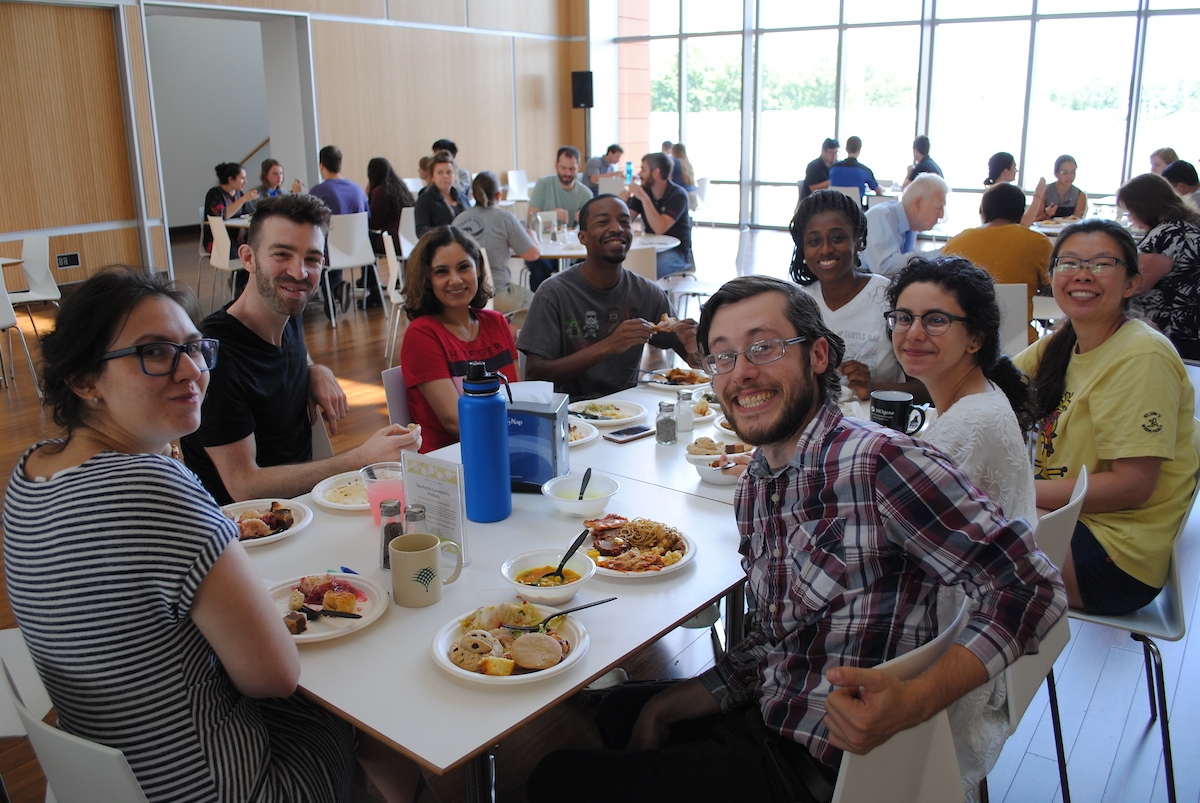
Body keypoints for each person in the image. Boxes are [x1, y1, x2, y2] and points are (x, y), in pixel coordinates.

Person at [526, 274, 1065, 803]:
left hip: (823, 764)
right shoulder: (760, 480)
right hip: (780, 702)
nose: (742, 373)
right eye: (723, 357)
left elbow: (1031, 587)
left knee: (555, 776)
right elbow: (779, 638)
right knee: (626, 710)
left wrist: (914, 700)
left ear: (819, 356)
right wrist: (663, 708)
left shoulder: (880, 463)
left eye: (763, 347)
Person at [4, 267, 424, 803]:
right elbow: (273, 677)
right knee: (363, 690)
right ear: (85, 380)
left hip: (106, 771)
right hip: (220, 784)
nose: (193, 371)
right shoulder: (151, 486)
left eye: (195, 348)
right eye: (155, 352)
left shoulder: (31, 471)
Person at [885, 257, 1039, 791]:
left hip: (949, 641)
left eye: (935, 320)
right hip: (978, 620)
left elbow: (884, 538)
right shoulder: (978, 399)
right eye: (903, 317)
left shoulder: (967, 425)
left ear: (975, 337)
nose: (912, 333)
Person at [182, 194, 419, 505]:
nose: (299, 272)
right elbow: (244, 485)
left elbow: (289, 356)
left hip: (303, 507)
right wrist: (359, 458)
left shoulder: (286, 312)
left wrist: (313, 369)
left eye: (312, 259)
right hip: (250, 532)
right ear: (248, 258)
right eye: (282, 254)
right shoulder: (216, 356)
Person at [1013, 220, 1197, 617]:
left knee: (947, 540)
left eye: (1101, 264)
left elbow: (1132, 486)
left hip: (1115, 558)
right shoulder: (1063, 343)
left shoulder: (1141, 356)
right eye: (1070, 262)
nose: (1083, 274)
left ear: (1132, 283)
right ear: (1052, 275)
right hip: (1075, 527)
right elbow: (990, 382)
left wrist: (1015, 489)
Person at [518, 194, 701, 400]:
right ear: (583, 237)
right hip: (570, 419)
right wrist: (608, 346)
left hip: (629, 414)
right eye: (603, 222)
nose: (617, 228)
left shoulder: (647, 293)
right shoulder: (554, 294)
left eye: (625, 222)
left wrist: (695, 346)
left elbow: (695, 363)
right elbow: (534, 375)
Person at [790, 189, 924, 403]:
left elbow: (927, 387)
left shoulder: (889, 299)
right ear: (803, 249)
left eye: (837, 238)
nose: (826, 249)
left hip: (878, 428)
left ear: (859, 241)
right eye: (814, 241)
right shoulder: (796, 302)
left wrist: (873, 388)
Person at [400, 226, 520, 453]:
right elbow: (456, 422)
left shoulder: (496, 322)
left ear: (477, 269)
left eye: (464, 267)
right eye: (441, 272)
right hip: (449, 463)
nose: (455, 280)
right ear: (427, 279)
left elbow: (518, 398)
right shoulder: (422, 335)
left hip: (505, 447)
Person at [943, 183, 1053, 344]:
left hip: (966, 342)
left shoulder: (955, 244)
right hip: (1021, 343)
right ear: (1021, 213)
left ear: (984, 212)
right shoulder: (1039, 242)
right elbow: (1051, 287)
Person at [1118, 172, 1200, 359]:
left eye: (1131, 210)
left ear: (1145, 207)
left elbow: (1137, 283)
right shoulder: (1189, 223)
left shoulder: (1167, 234)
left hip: (1171, 330)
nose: (1130, 217)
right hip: (1188, 328)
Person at [452, 171, 539, 315]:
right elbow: (532, 254)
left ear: (473, 195)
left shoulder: (458, 220)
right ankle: (505, 335)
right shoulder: (505, 218)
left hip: (463, 294)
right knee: (537, 304)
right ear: (498, 195)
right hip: (496, 292)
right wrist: (533, 235)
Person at [526, 146, 601, 290]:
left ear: (578, 167)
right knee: (539, 267)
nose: (567, 173)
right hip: (543, 248)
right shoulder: (543, 185)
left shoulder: (585, 194)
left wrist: (585, 220)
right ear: (556, 166)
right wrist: (550, 214)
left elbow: (592, 230)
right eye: (563, 168)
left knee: (588, 264)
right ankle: (540, 305)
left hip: (572, 248)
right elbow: (531, 220)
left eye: (572, 169)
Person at [310, 145, 370, 316]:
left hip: (330, 252)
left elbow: (309, 221)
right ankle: (336, 287)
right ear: (340, 163)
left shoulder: (318, 191)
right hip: (359, 250)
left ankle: (332, 290)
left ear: (321, 165)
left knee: (316, 247)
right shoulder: (358, 190)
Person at [861, 173, 949, 276]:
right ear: (918, 204)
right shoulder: (881, 216)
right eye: (938, 207)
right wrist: (940, 254)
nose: (941, 215)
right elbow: (884, 269)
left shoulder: (910, 225)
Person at [624, 152, 693, 278]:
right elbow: (625, 221)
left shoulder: (678, 195)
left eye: (643, 169)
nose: (639, 174)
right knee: (624, 263)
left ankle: (652, 297)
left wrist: (645, 199)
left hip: (676, 252)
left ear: (656, 172)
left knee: (649, 268)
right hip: (649, 249)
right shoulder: (643, 193)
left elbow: (659, 228)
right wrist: (621, 202)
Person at [414, 150, 466, 237]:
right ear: (433, 176)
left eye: (449, 172)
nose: (445, 176)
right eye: (440, 172)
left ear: (454, 175)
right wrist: (447, 232)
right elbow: (421, 230)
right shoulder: (424, 199)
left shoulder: (462, 198)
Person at [828, 136, 882, 203]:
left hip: (835, 209)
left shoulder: (833, 168)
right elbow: (878, 191)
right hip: (855, 210)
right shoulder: (864, 170)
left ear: (846, 149)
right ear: (859, 150)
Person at [1037, 155, 1087, 221]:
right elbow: (1034, 220)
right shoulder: (1045, 191)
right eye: (1064, 172)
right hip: (1043, 230)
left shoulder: (1080, 195)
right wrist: (1047, 214)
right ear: (1056, 173)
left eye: (1073, 172)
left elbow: (1078, 223)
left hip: (1069, 230)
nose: (1069, 176)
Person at [799, 137, 839, 202]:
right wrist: (831, 182)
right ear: (823, 151)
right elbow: (813, 188)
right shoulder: (813, 166)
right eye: (831, 153)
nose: (834, 156)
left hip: (829, 200)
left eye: (836, 153)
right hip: (813, 201)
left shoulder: (836, 166)